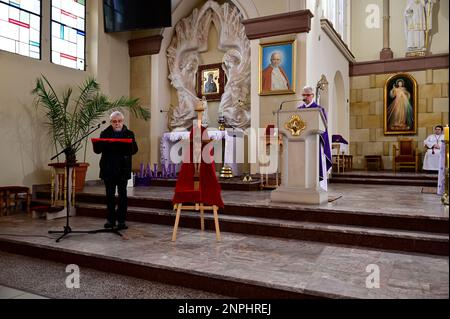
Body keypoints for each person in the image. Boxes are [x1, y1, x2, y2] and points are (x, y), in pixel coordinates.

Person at [93, 111, 138, 230]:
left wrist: (129, 144)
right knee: (109, 196)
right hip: (108, 168)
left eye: (119, 121)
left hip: (123, 169)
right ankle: (110, 220)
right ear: (111, 122)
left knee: (122, 196)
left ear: (122, 121)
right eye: (114, 121)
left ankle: (121, 221)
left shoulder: (129, 133)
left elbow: (134, 150)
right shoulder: (104, 133)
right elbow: (98, 151)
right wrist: (97, 143)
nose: (117, 123)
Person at [297, 86, 332, 191]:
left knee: (317, 165)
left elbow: (324, 127)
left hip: (315, 142)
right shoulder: (299, 110)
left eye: (307, 95)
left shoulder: (319, 110)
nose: (305, 97)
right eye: (303, 95)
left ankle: (319, 188)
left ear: (312, 96)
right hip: (303, 143)